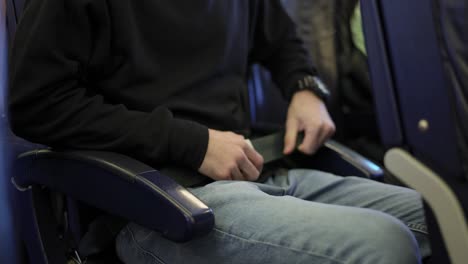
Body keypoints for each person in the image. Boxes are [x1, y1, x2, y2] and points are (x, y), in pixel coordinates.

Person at [9, 0, 430, 263]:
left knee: (441, 218)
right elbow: (37, 105)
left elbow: (282, 39)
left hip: (259, 174)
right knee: (384, 243)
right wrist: (192, 144)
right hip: (161, 207)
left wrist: (305, 89)